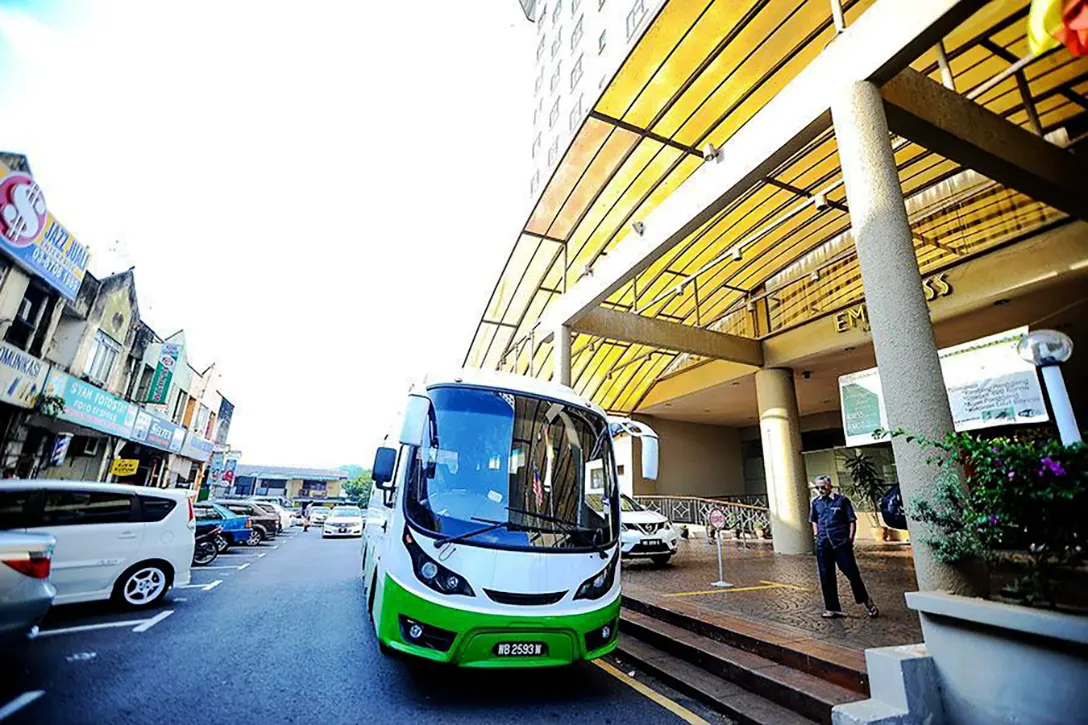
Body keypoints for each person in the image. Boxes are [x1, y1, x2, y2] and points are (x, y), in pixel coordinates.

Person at [809, 475, 879, 619]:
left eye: (823, 487)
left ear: (830, 486)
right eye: (818, 487)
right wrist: (816, 535)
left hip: (841, 543)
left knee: (852, 574)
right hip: (823, 544)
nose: (820, 490)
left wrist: (850, 539)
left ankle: (867, 601)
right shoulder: (816, 502)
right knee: (825, 575)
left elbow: (851, 520)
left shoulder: (842, 501)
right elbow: (814, 520)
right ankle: (832, 608)